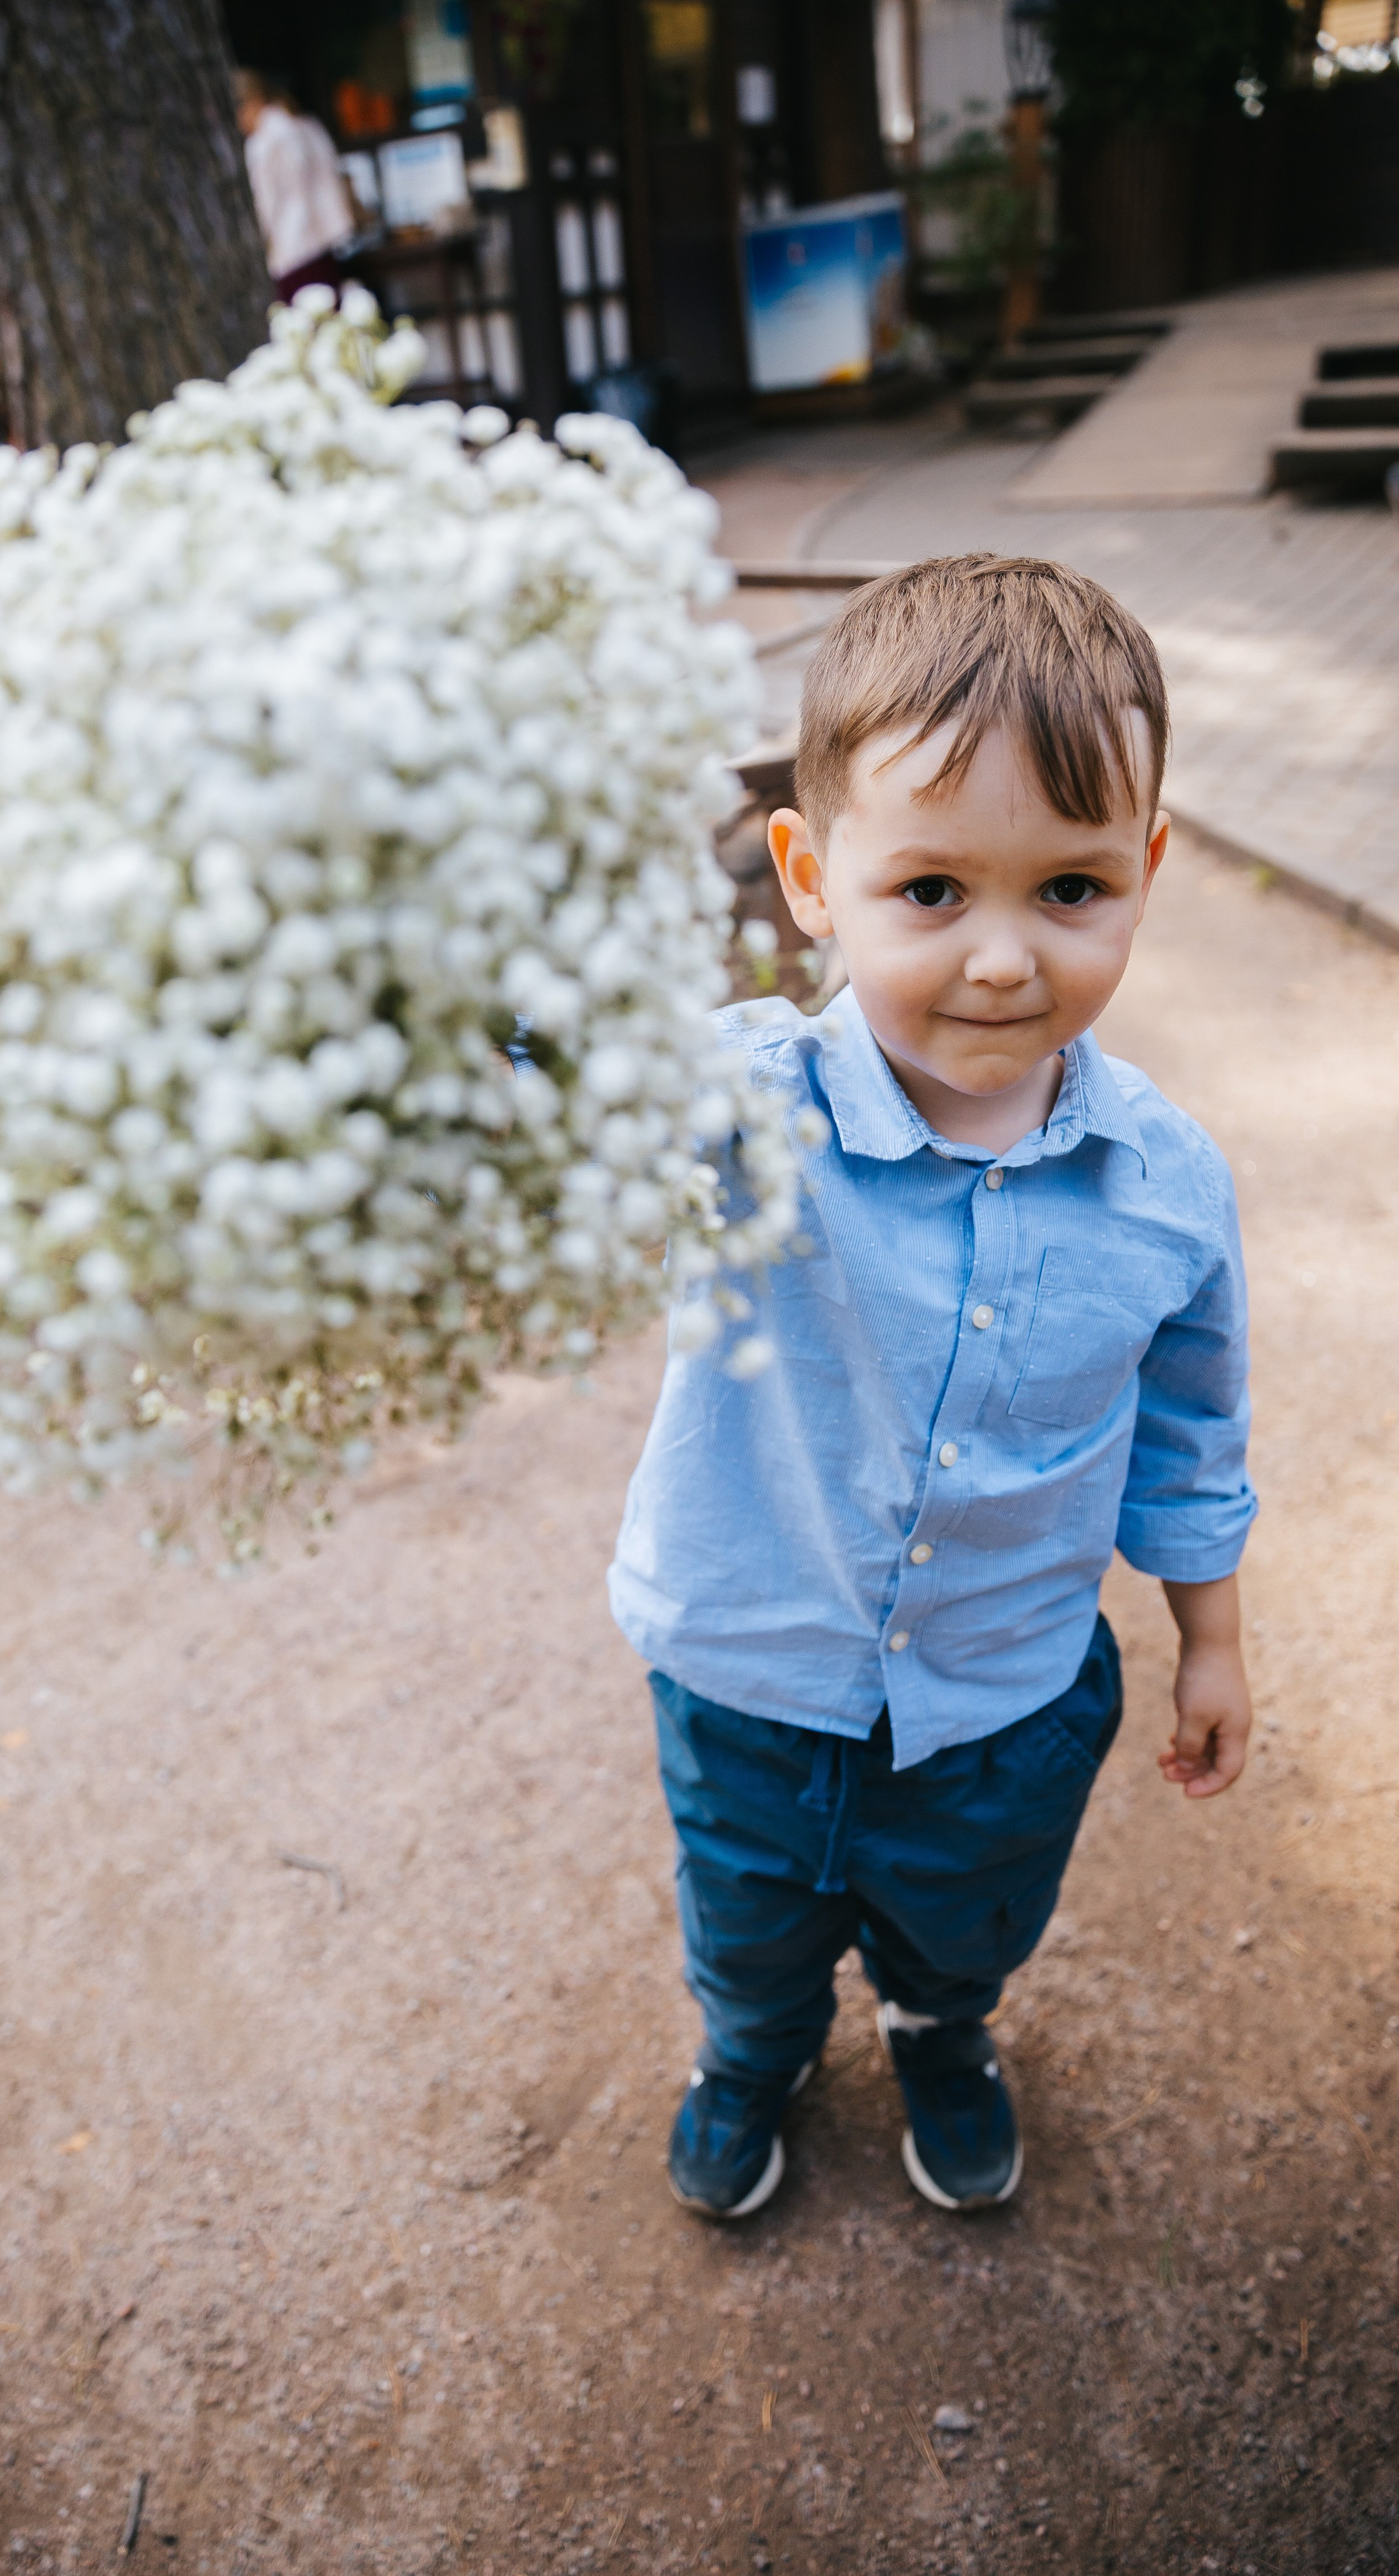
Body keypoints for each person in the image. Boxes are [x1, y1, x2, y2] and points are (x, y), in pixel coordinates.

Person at [608, 556, 1255, 2219]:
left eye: (1066, 887)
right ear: (810, 876)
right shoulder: (736, 1104)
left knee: (966, 1913)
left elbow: (1186, 1437)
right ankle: (749, 2050)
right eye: (927, 892)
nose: (996, 957)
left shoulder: (1166, 1185)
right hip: (751, 1671)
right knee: (744, 1918)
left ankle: (934, 2024)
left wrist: (1209, 1635)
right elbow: (544, 1079)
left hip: (1002, 1698)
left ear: (1144, 870)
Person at [233, 68, 355, 303]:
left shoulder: (263, 144)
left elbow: (264, 204)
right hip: (324, 244)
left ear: (253, 102)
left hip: (290, 250)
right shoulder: (307, 126)